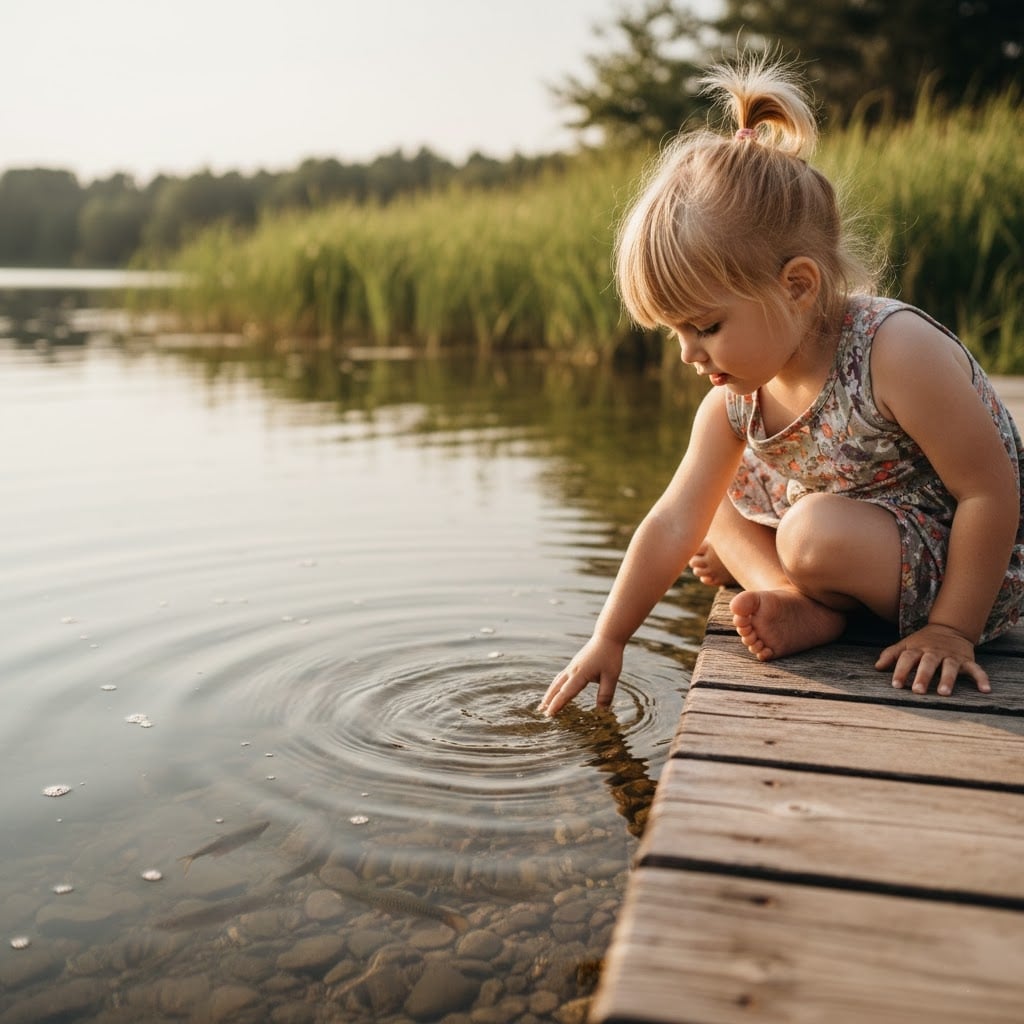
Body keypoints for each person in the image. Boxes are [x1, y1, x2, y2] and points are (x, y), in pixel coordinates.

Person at [539, 55, 1024, 718]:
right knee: (707, 509)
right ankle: (799, 601)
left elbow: (990, 492)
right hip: (853, 537)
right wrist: (609, 636)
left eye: (706, 326)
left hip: (971, 569)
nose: (687, 352)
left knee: (808, 532)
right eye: (675, 332)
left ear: (796, 286)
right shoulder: (734, 401)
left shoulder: (895, 351)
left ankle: (815, 589)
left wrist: (952, 629)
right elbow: (669, 522)